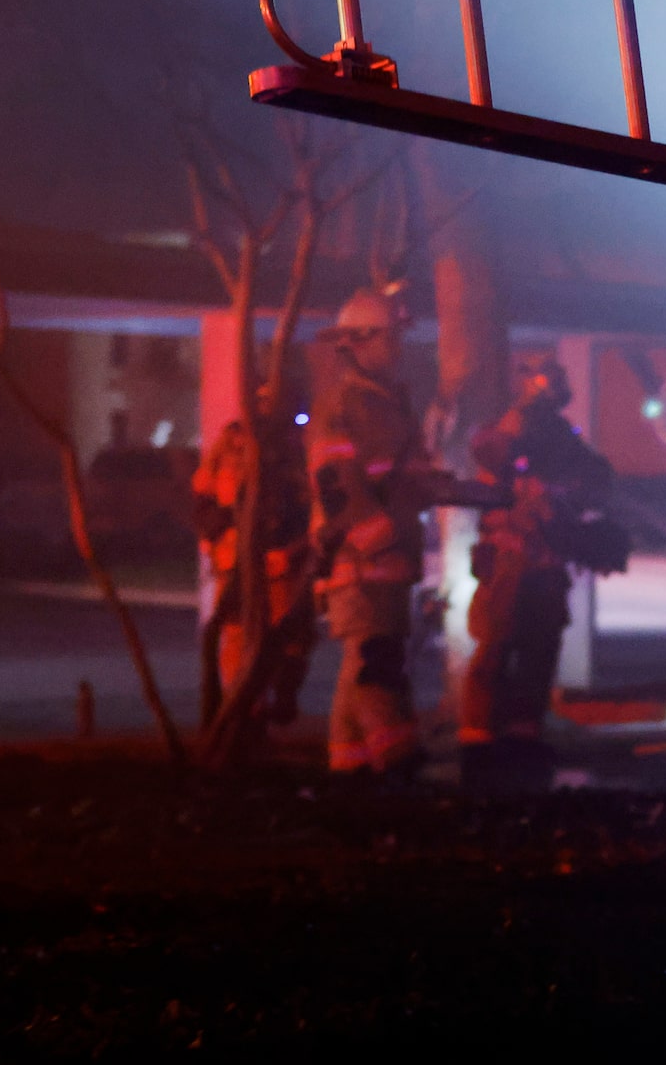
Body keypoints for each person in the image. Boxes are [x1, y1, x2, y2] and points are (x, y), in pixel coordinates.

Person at [460, 353, 628, 751]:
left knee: (541, 645)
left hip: (547, 557)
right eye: (551, 378)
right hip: (511, 556)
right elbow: (491, 457)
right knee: (497, 644)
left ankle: (524, 731)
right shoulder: (510, 427)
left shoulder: (561, 434)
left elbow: (595, 475)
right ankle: (478, 735)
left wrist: (575, 494)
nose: (559, 385)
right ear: (533, 382)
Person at [309, 285, 435, 776]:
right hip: (361, 559)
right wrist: (376, 536)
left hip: (388, 556)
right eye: (390, 339)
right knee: (375, 661)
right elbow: (335, 481)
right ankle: (394, 754)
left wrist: (434, 487)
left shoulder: (390, 403)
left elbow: (404, 474)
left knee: (364, 658)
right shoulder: (344, 403)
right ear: (360, 341)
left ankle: (350, 766)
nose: (399, 349)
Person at [190, 381, 316, 736]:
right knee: (235, 638)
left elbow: (309, 507)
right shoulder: (231, 440)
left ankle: (281, 699)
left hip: (280, 561)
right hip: (236, 562)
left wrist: (293, 549)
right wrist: (216, 532)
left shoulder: (296, 446)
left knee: (290, 637)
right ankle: (244, 715)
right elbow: (203, 497)